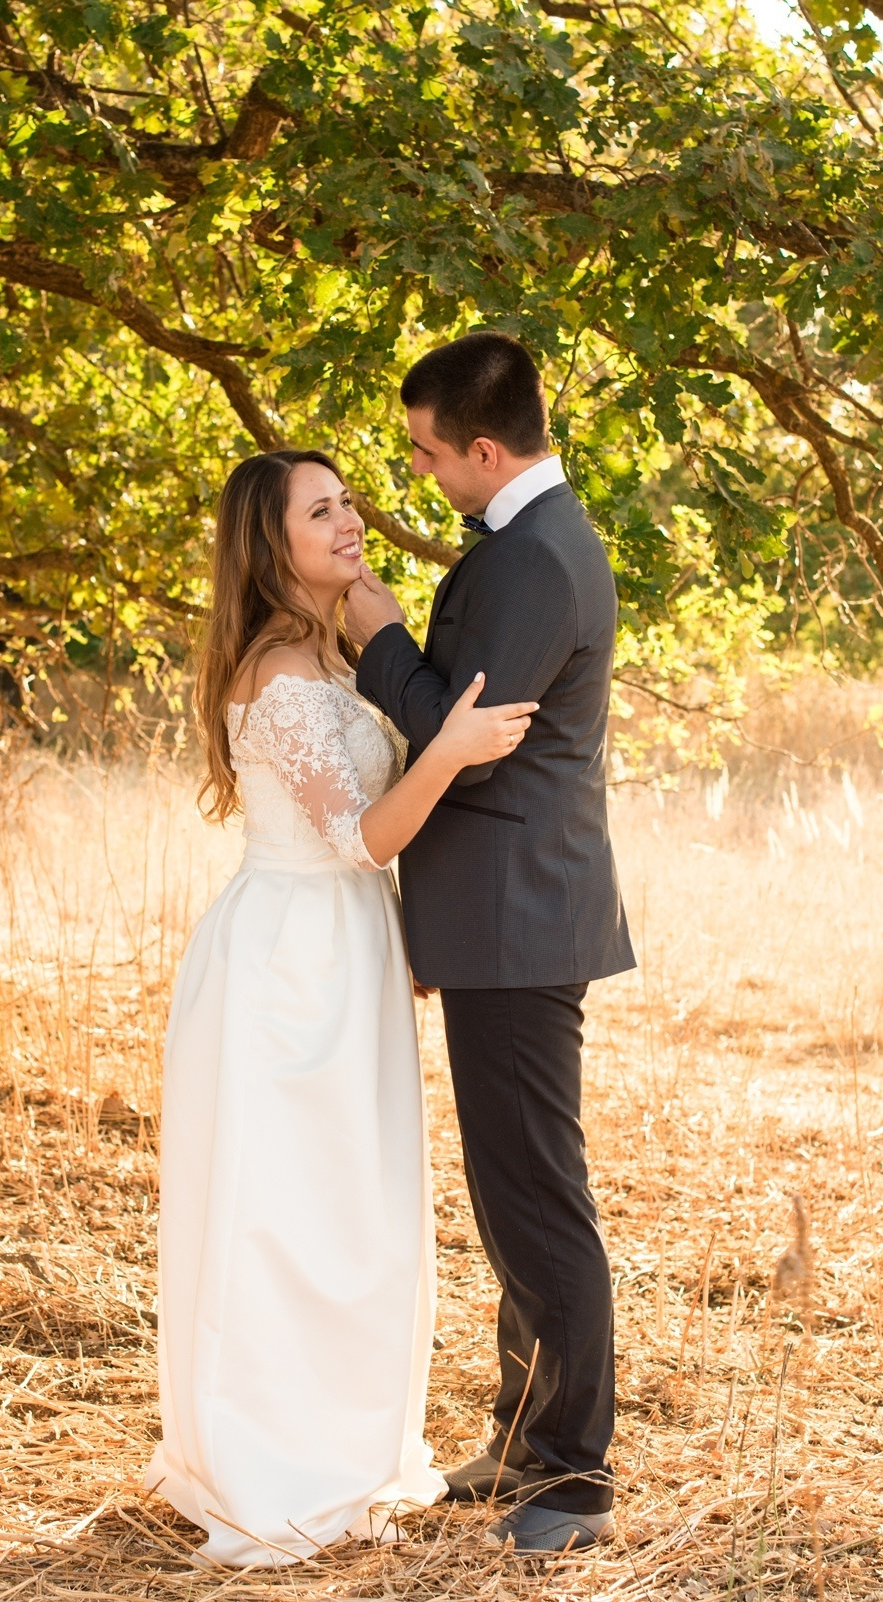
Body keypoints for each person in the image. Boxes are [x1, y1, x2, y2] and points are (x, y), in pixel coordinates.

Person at [150, 447, 541, 1567]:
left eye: (349, 500)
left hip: (347, 943)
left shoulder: (328, 645)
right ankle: (279, 1463)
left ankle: (343, 1440)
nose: (349, 519)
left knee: (355, 1201)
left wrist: (381, 626)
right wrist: (451, 746)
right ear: (270, 546)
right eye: (319, 512)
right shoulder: (278, 670)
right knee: (287, 1207)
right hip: (291, 959)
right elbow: (357, 836)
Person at [344, 331, 636, 1554]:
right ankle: (523, 1436)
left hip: (521, 920)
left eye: (423, 453)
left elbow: (460, 732)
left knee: (536, 1197)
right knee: (512, 1190)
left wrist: (378, 637)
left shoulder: (532, 562)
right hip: (503, 916)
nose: (417, 475)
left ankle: (570, 1475)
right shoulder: (528, 545)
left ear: (481, 447)